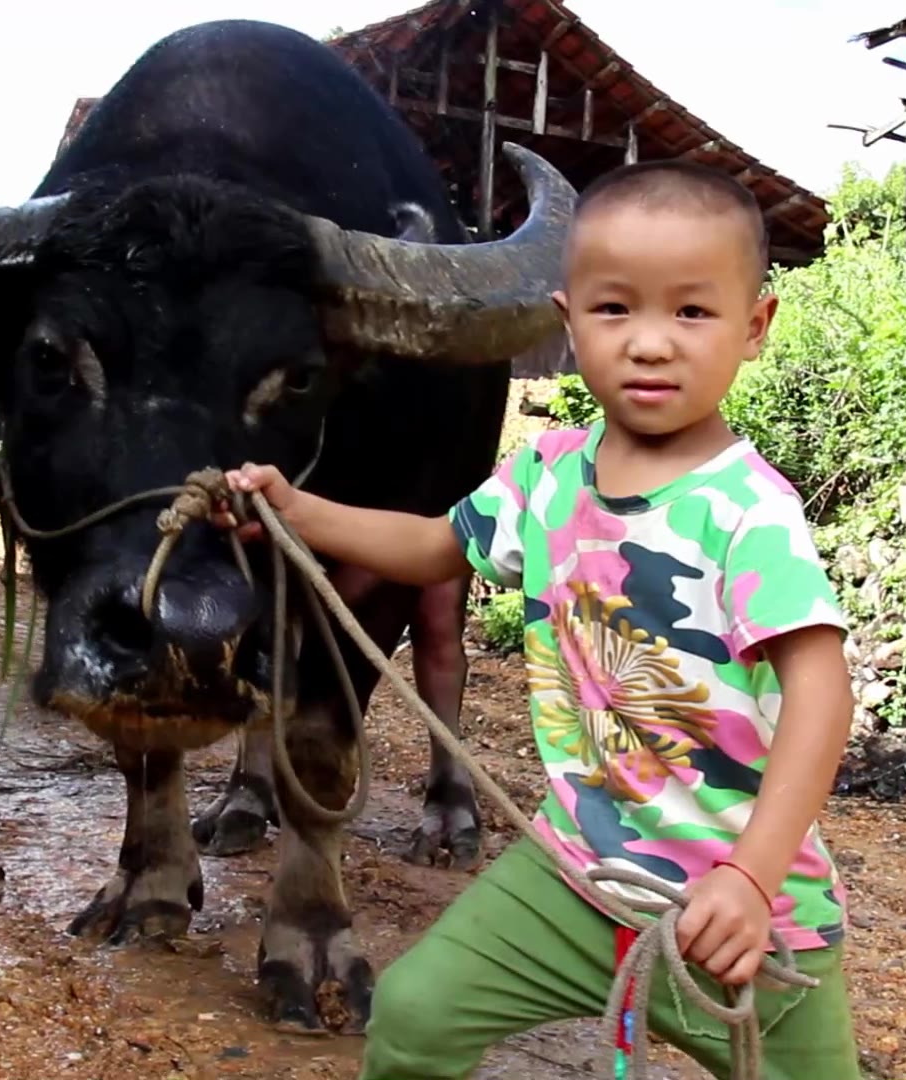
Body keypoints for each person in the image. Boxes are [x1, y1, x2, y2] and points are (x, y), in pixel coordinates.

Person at [219, 159, 861, 1079]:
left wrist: (752, 875)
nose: (649, 343)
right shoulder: (547, 473)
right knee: (415, 1015)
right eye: (614, 310)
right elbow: (438, 546)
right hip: (575, 878)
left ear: (754, 326)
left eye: (691, 311)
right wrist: (298, 510)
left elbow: (821, 692)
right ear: (565, 325)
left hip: (745, 916)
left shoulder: (750, 512)